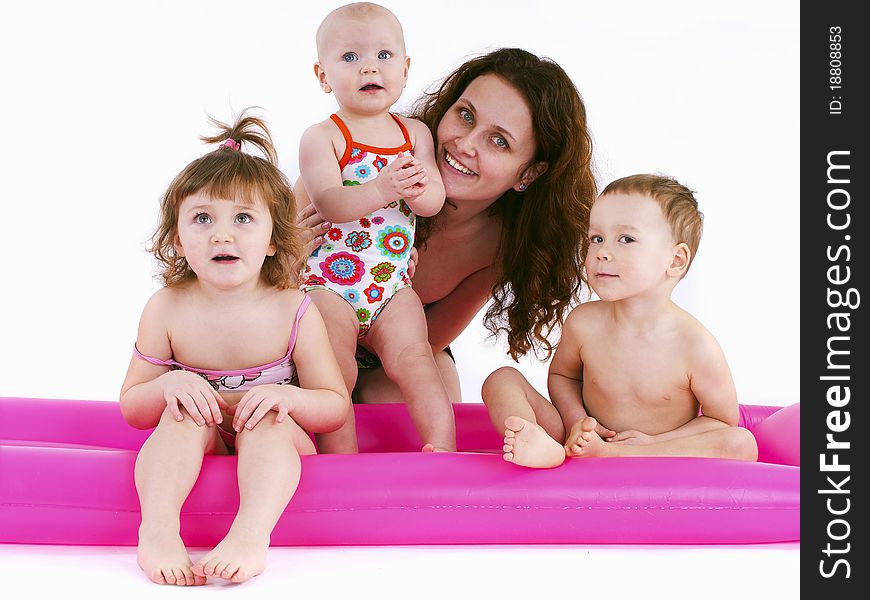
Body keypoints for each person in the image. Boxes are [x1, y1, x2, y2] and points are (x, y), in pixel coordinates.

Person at [296, 47, 596, 453]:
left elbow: (430, 339)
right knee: (318, 385)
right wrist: (286, 257)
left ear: (528, 173)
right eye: (466, 115)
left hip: (399, 343)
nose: (465, 144)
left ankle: (440, 472)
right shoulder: (372, 158)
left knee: (405, 409)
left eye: (498, 141)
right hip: (303, 328)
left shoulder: (500, 244)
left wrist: (390, 299)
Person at [119, 110, 349, 585]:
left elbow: (334, 407)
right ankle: (158, 529)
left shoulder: (294, 308)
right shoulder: (166, 308)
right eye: (202, 218)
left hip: (276, 440)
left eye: (243, 218)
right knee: (179, 417)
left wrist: (288, 397)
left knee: (266, 420)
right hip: (199, 438)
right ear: (178, 240)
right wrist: (169, 383)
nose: (222, 234)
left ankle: (250, 533)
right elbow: (133, 408)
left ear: (271, 240)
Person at [481, 174, 759, 467]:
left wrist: (651, 443)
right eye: (596, 238)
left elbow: (721, 421)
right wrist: (579, 421)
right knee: (501, 379)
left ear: (675, 260)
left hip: (654, 457)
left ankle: (616, 454)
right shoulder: (584, 322)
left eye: (626, 239)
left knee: (741, 442)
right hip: (577, 443)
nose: (602, 252)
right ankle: (534, 440)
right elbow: (563, 377)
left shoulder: (695, 345)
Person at [298, 2, 452, 452]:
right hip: (330, 283)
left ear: (404, 69)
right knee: (335, 369)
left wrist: (421, 190)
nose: (369, 66)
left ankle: (442, 448)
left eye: (384, 56)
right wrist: (383, 187)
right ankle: (342, 462)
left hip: (391, 283)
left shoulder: (415, 135)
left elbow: (431, 203)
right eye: (350, 57)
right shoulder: (324, 136)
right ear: (323, 75)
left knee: (417, 359)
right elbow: (329, 201)